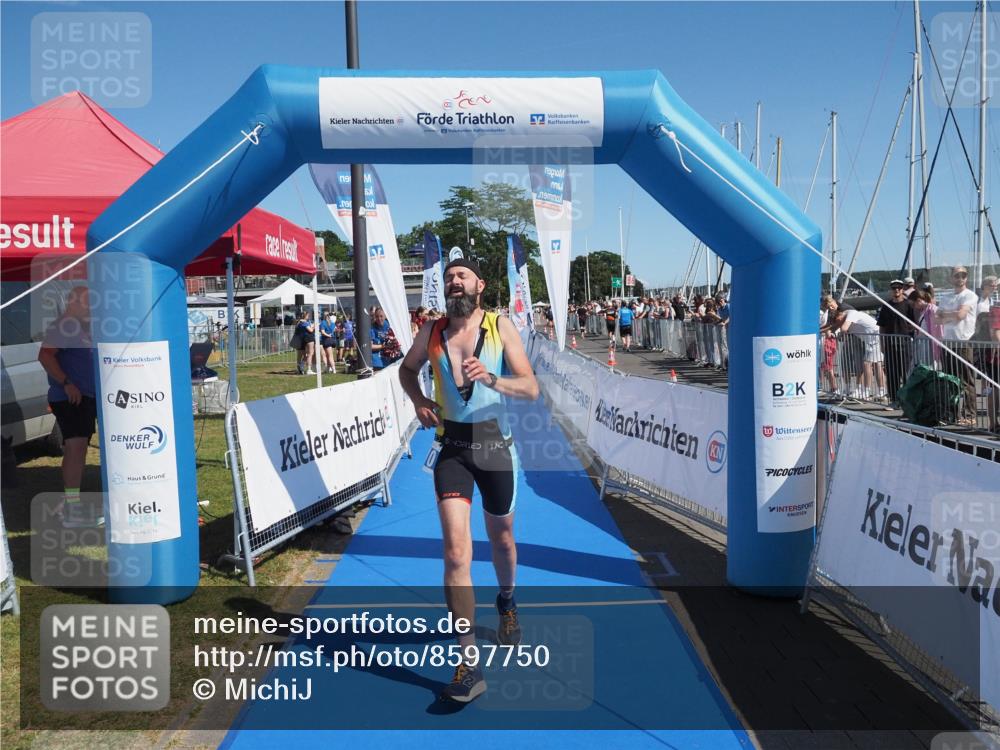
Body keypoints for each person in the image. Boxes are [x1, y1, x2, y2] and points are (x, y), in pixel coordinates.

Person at [398, 257, 539, 704]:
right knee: (456, 552)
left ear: (480, 284)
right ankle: (468, 663)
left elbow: (531, 388)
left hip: (496, 445)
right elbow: (406, 369)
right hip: (452, 449)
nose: (454, 282)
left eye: (462, 276)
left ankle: (507, 601)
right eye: (449, 278)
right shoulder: (433, 332)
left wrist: (493, 379)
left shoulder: (500, 327)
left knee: (502, 540)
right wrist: (420, 399)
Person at [37, 286, 102, 528]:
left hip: (85, 397)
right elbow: (45, 355)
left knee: (77, 449)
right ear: (72, 303)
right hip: (70, 398)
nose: (91, 309)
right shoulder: (64, 325)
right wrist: (67, 383)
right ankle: (72, 509)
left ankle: (68, 502)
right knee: (76, 448)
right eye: (87, 303)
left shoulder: (82, 328)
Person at [935, 266, 979, 425]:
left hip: (963, 342)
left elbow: (960, 316)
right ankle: (951, 414)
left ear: (966, 278)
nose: (960, 278)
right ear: (951, 278)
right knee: (949, 380)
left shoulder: (970, 295)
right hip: (948, 342)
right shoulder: (946, 297)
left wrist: (947, 315)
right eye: (957, 275)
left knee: (966, 381)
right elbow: (936, 319)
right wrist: (952, 314)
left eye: (963, 275)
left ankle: (969, 415)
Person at [832, 307, 887, 401]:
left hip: (875, 338)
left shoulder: (850, 314)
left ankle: (866, 392)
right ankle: (881, 391)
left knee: (867, 364)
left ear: (840, 315)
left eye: (838, 320)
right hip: (872, 339)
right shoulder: (846, 316)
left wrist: (838, 331)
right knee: (877, 365)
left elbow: (844, 328)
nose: (838, 323)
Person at [877, 280, 917, 404]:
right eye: (894, 288)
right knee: (892, 373)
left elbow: (915, 323)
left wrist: (910, 331)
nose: (897, 290)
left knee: (906, 373)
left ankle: (907, 401)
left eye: (899, 288)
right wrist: (882, 343)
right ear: (891, 290)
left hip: (905, 343)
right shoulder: (886, 306)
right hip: (890, 344)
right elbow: (881, 326)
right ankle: (894, 399)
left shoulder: (908, 305)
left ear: (902, 289)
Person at [293, 310, 315, 375]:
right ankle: (307, 369)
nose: (308, 316)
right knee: (309, 354)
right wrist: (314, 326)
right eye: (308, 315)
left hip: (300, 339)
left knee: (301, 355)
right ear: (305, 316)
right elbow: (310, 330)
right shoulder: (304, 323)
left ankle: (300, 367)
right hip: (306, 339)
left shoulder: (299, 322)